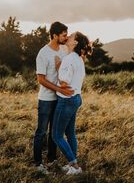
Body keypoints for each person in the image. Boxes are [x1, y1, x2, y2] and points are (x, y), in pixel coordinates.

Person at [33, 22, 74, 174]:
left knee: (55, 132)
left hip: (59, 99)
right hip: (45, 99)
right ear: (55, 35)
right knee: (41, 132)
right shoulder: (43, 53)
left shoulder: (64, 49)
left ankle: (52, 160)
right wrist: (59, 88)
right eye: (63, 35)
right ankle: (38, 164)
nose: (66, 37)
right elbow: (41, 80)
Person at [52, 31, 92, 175]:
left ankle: (74, 166)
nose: (68, 37)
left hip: (67, 100)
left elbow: (64, 81)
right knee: (70, 133)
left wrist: (58, 68)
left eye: (71, 36)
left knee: (56, 135)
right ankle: (72, 164)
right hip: (76, 98)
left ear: (74, 43)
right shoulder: (79, 58)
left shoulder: (69, 59)